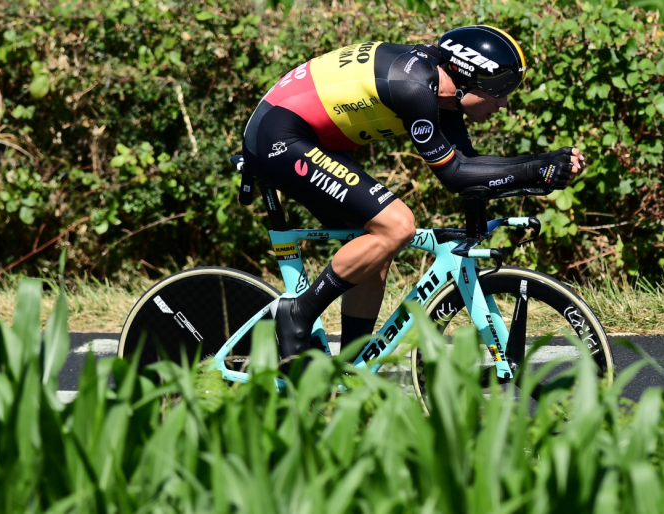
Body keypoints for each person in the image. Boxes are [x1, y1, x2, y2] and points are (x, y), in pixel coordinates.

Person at [241, 25, 584, 361]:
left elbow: (471, 166)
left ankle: (346, 369)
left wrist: (542, 167)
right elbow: (454, 176)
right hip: (278, 137)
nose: (505, 104)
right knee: (397, 226)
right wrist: (532, 168)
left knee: (376, 246)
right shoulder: (415, 85)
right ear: (468, 80)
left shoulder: (443, 90)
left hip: (307, 136)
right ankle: (297, 314)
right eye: (500, 92)